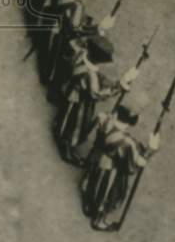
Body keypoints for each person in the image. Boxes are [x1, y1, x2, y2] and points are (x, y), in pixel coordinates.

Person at [54, 28, 135, 165]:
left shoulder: (82, 55)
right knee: (76, 123)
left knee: (66, 115)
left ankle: (60, 128)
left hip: (70, 90)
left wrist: (118, 82)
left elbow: (99, 79)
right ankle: (66, 146)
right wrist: (118, 87)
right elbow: (96, 94)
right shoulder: (89, 75)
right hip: (79, 100)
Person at [80, 101, 160, 231]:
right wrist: (151, 149)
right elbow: (137, 163)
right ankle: (98, 220)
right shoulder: (127, 143)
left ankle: (88, 205)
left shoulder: (106, 120)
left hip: (97, 159)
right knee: (107, 193)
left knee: (92, 183)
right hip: (110, 170)